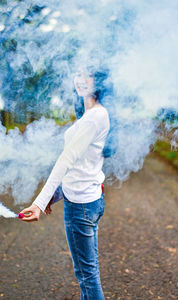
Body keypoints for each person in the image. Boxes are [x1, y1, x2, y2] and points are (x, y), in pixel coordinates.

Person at [19, 66, 117, 300]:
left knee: (87, 276)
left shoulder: (94, 117)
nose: (80, 80)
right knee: (86, 274)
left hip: (81, 206)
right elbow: (83, 169)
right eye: (78, 74)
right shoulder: (92, 113)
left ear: (99, 81)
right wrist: (56, 194)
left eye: (88, 75)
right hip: (88, 199)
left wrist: (39, 203)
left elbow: (66, 160)